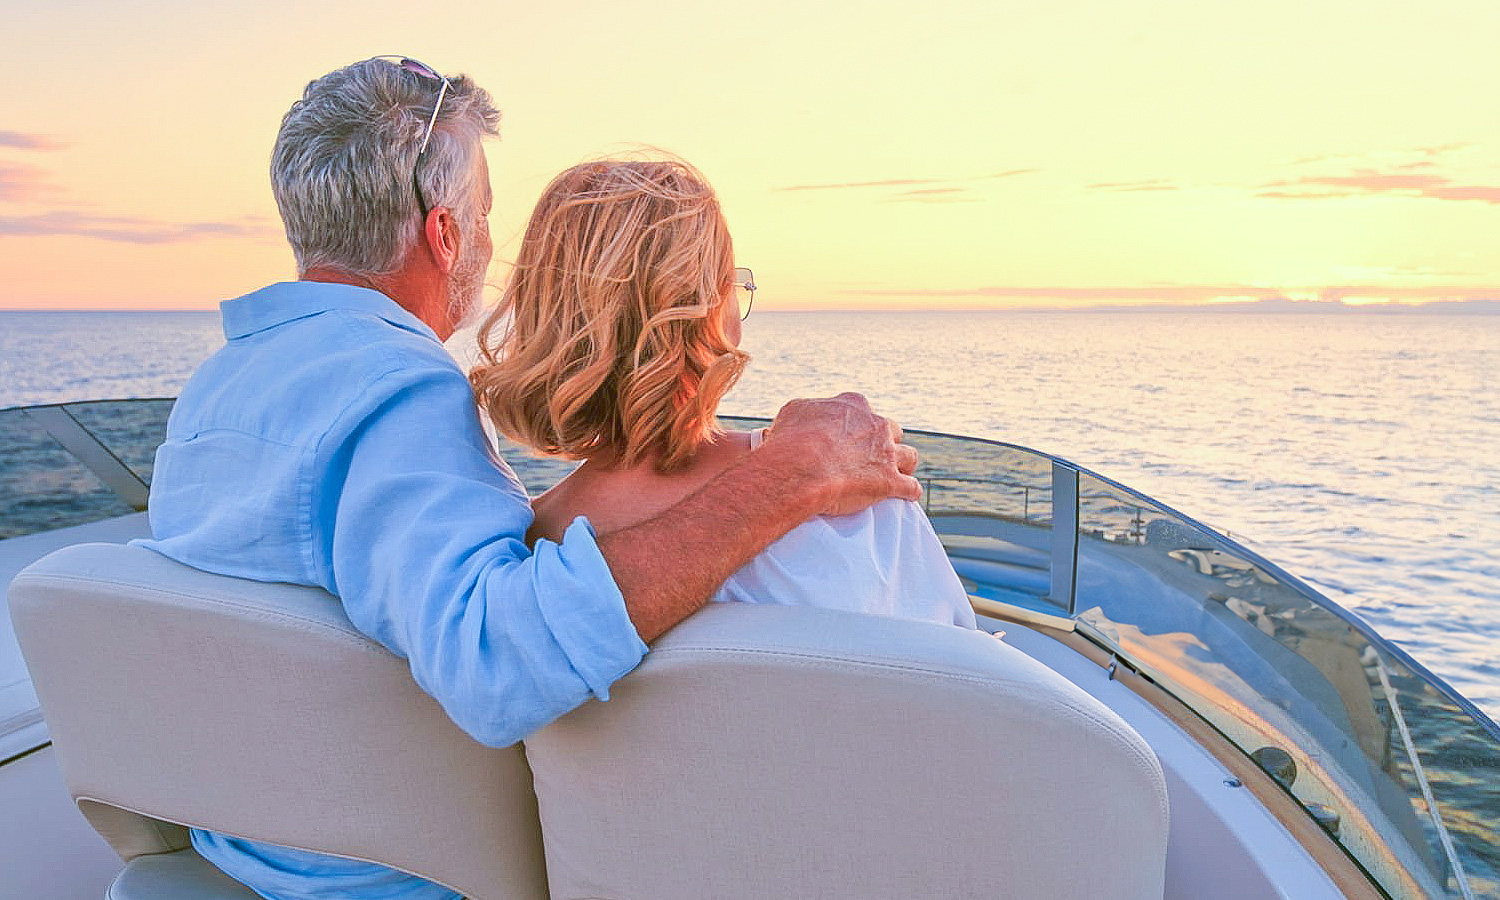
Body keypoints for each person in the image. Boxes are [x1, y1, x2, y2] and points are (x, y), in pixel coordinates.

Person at [138, 58, 921, 900]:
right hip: (389, 878)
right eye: (481, 213)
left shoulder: (219, 389)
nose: (485, 237)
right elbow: (497, 664)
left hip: (248, 846)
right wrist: (793, 475)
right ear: (443, 234)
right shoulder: (398, 392)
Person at [470, 159, 974, 629]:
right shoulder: (852, 501)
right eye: (730, 283)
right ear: (708, 314)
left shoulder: (522, 559)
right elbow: (961, 684)